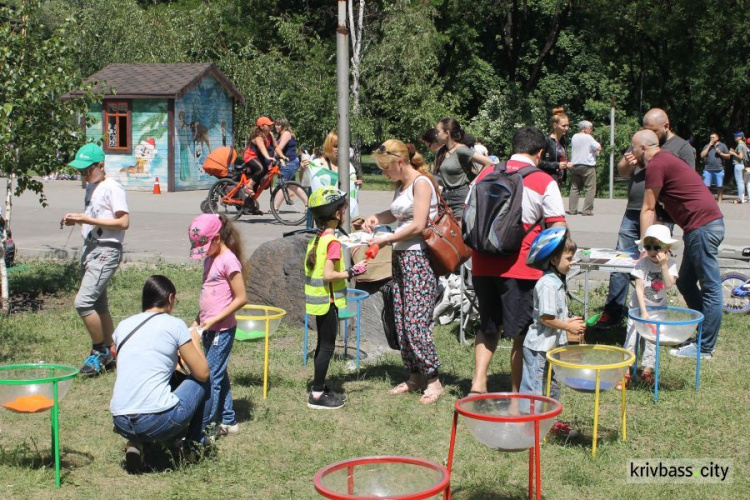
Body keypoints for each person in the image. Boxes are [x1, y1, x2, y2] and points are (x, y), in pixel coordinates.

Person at [469, 126, 567, 395]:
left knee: (488, 325)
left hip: (482, 261)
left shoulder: (486, 173)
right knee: (522, 332)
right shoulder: (543, 180)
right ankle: (517, 391)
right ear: (539, 153)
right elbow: (557, 228)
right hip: (521, 267)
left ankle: (478, 383)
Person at [596, 108, 695, 329]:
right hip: (633, 211)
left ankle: (652, 310)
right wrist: (627, 163)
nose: (647, 132)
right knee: (620, 261)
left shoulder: (682, 148)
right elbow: (622, 173)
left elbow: (686, 179)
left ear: (666, 127)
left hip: (660, 215)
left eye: (652, 130)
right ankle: (612, 311)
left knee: (653, 263)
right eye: (645, 129)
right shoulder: (641, 141)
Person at [363, 140, 444, 404]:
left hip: (419, 258)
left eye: (387, 168)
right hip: (401, 257)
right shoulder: (402, 185)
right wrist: (377, 217)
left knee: (415, 322)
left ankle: (434, 380)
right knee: (400, 318)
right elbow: (398, 213)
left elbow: (419, 224)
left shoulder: (422, 183)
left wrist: (385, 239)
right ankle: (415, 375)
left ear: (401, 162)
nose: (384, 174)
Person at [633, 129, 725, 360]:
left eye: (633, 147)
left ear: (642, 148)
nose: (631, 152)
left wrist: (646, 246)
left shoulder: (656, 163)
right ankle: (702, 334)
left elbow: (648, 208)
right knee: (684, 282)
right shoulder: (666, 159)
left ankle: (704, 348)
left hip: (703, 227)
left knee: (711, 287)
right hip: (701, 226)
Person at [110, 275, 211, 472]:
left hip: (120, 419)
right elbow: (202, 373)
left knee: (165, 381)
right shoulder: (174, 324)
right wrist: (194, 340)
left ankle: (135, 443)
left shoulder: (123, 325)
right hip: (156, 421)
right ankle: (192, 446)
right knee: (205, 380)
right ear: (170, 298)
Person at [62, 143, 130, 377]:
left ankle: (98, 350)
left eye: (87, 170)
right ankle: (112, 351)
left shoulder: (113, 188)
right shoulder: (92, 186)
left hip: (106, 251)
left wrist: (86, 220)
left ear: (101, 166)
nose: (83, 175)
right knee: (99, 305)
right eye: (80, 171)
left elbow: (123, 223)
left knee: (83, 303)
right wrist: (79, 220)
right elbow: (95, 217)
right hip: (91, 249)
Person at [304, 187, 367, 409]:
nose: (345, 212)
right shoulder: (332, 243)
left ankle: (318, 386)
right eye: (343, 208)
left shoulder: (319, 238)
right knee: (327, 347)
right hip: (327, 301)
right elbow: (328, 274)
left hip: (319, 300)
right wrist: (352, 272)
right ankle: (318, 395)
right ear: (336, 213)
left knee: (322, 345)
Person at [520, 227, 584, 436]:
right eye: (568, 258)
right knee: (536, 389)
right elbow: (546, 318)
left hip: (552, 347)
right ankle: (531, 427)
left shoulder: (556, 282)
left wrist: (567, 320)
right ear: (554, 260)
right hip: (540, 347)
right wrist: (568, 326)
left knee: (552, 386)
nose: (572, 262)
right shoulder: (547, 284)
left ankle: (548, 423)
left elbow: (553, 314)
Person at [188, 214, 248, 436]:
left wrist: (215, 319)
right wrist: (198, 320)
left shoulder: (228, 260)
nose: (203, 252)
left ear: (217, 238)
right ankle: (229, 420)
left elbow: (241, 298)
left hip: (221, 330)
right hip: (208, 327)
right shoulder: (210, 258)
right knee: (218, 375)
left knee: (210, 376)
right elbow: (208, 294)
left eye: (205, 246)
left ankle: (205, 426)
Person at [622, 224, 678, 386]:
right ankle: (626, 370)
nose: (652, 252)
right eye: (648, 247)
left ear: (666, 247)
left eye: (657, 247)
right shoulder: (642, 264)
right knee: (631, 338)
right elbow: (639, 289)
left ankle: (647, 369)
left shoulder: (671, 264)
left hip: (658, 308)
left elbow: (668, 285)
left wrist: (663, 266)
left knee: (652, 340)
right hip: (638, 307)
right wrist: (643, 311)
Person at [433, 118, 494, 218]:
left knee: (460, 230)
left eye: (438, 131)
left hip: (460, 198)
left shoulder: (461, 149)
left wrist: (474, 182)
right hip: (445, 198)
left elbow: (489, 163)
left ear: (447, 133)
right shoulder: (441, 152)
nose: (436, 134)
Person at [272, 117, 308, 211]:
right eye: (276, 124)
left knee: (281, 184)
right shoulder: (280, 134)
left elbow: (279, 148)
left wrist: (270, 157)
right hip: (289, 162)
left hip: (290, 162)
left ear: (284, 125)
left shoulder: (286, 133)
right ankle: (308, 204)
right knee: (292, 186)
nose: (276, 126)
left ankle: (275, 208)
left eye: (279, 125)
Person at [568, 120, 601, 216]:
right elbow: (599, 147)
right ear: (585, 129)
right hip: (587, 165)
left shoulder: (574, 137)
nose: (591, 130)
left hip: (575, 165)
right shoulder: (588, 137)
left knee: (574, 188)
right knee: (590, 188)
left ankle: (572, 210)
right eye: (590, 128)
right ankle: (587, 210)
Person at [243, 116, 280, 196]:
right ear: (262, 126)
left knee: (262, 176)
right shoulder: (258, 136)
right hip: (250, 156)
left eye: (271, 124)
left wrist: (282, 156)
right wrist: (268, 157)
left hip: (258, 157)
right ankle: (248, 185)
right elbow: (262, 148)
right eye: (268, 125)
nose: (271, 126)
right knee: (261, 169)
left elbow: (276, 146)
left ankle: (249, 205)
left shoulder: (270, 134)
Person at [539, 107, 573, 183]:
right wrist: (556, 165)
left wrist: (567, 164)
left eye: (567, 125)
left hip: (559, 179)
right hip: (547, 180)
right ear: (555, 125)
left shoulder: (563, 140)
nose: (566, 128)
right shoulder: (546, 141)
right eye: (563, 126)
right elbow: (539, 162)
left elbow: (561, 158)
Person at [700, 133, 729, 203]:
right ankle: (706, 200)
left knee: (719, 186)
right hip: (708, 169)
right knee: (706, 186)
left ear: (717, 138)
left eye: (713, 137)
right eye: (710, 137)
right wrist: (709, 146)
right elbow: (702, 155)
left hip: (719, 169)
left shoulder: (722, 146)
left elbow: (728, 156)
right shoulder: (707, 146)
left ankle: (719, 201)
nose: (711, 139)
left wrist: (720, 153)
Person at [729, 131, 748, 203]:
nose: (734, 137)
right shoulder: (744, 144)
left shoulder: (740, 145)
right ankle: (741, 198)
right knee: (742, 182)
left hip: (739, 165)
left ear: (740, 137)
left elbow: (740, 157)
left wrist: (732, 153)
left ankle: (739, 199)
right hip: (743, 165)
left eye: (736, 136)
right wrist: (735, 151)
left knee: (739, 182)